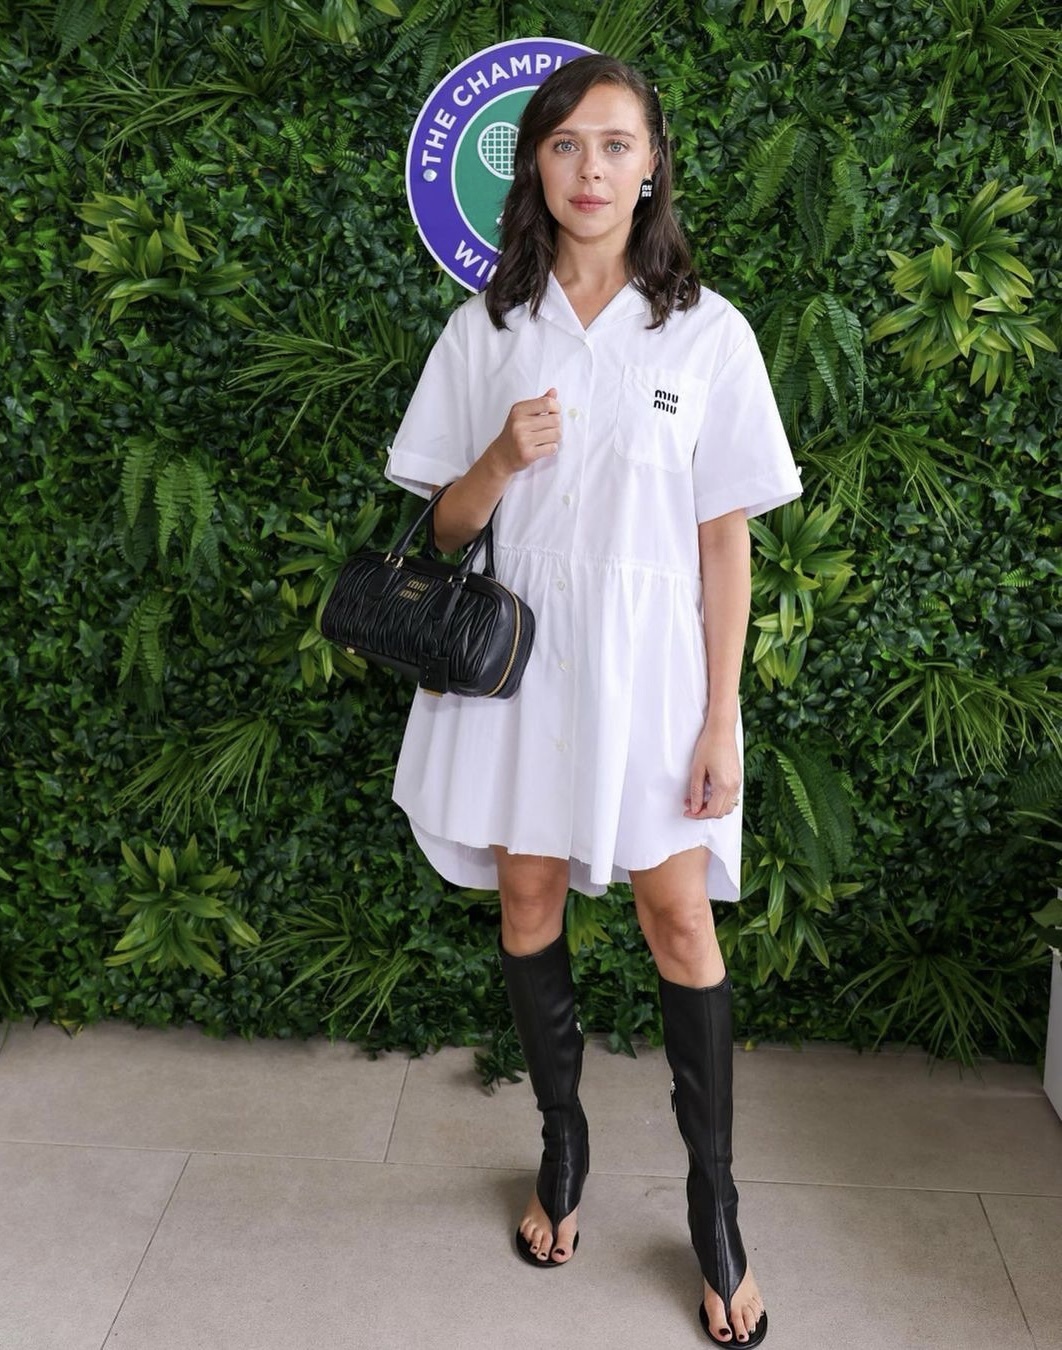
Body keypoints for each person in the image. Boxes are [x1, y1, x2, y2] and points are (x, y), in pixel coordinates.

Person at [385, 53, 801, 1348]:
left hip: (656, 676)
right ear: (535, 165)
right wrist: (499, 456)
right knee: (528, 900)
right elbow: (443, 529)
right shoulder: (487, 326)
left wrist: (721, 716)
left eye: (617, 144)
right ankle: (561, 1142)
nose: (591, 169)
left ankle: (715, 1206)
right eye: (567, 144)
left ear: (652, 166)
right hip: (517, 670)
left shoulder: (708, 331)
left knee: (680, 921)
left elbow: (724, 542)